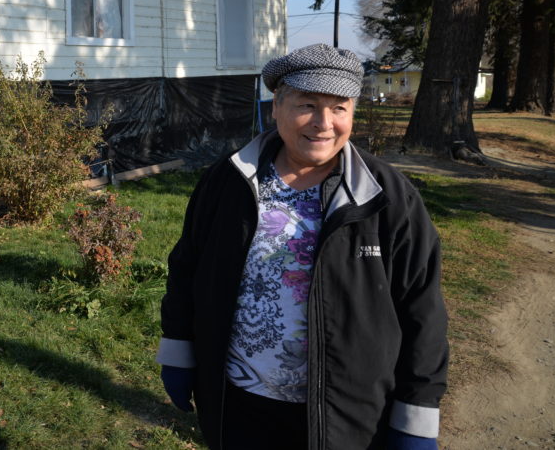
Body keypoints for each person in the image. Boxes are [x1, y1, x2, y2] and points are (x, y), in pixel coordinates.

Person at [156, 44, 448, 450]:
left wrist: (416, 412)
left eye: (339, 108)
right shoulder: (228, 181)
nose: (323, 123)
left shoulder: (387, 196)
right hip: (239, 404)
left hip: (348, 416)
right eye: (307, 104)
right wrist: (178, 350)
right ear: (276, 106)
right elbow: (187, 267)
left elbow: (422, 308)